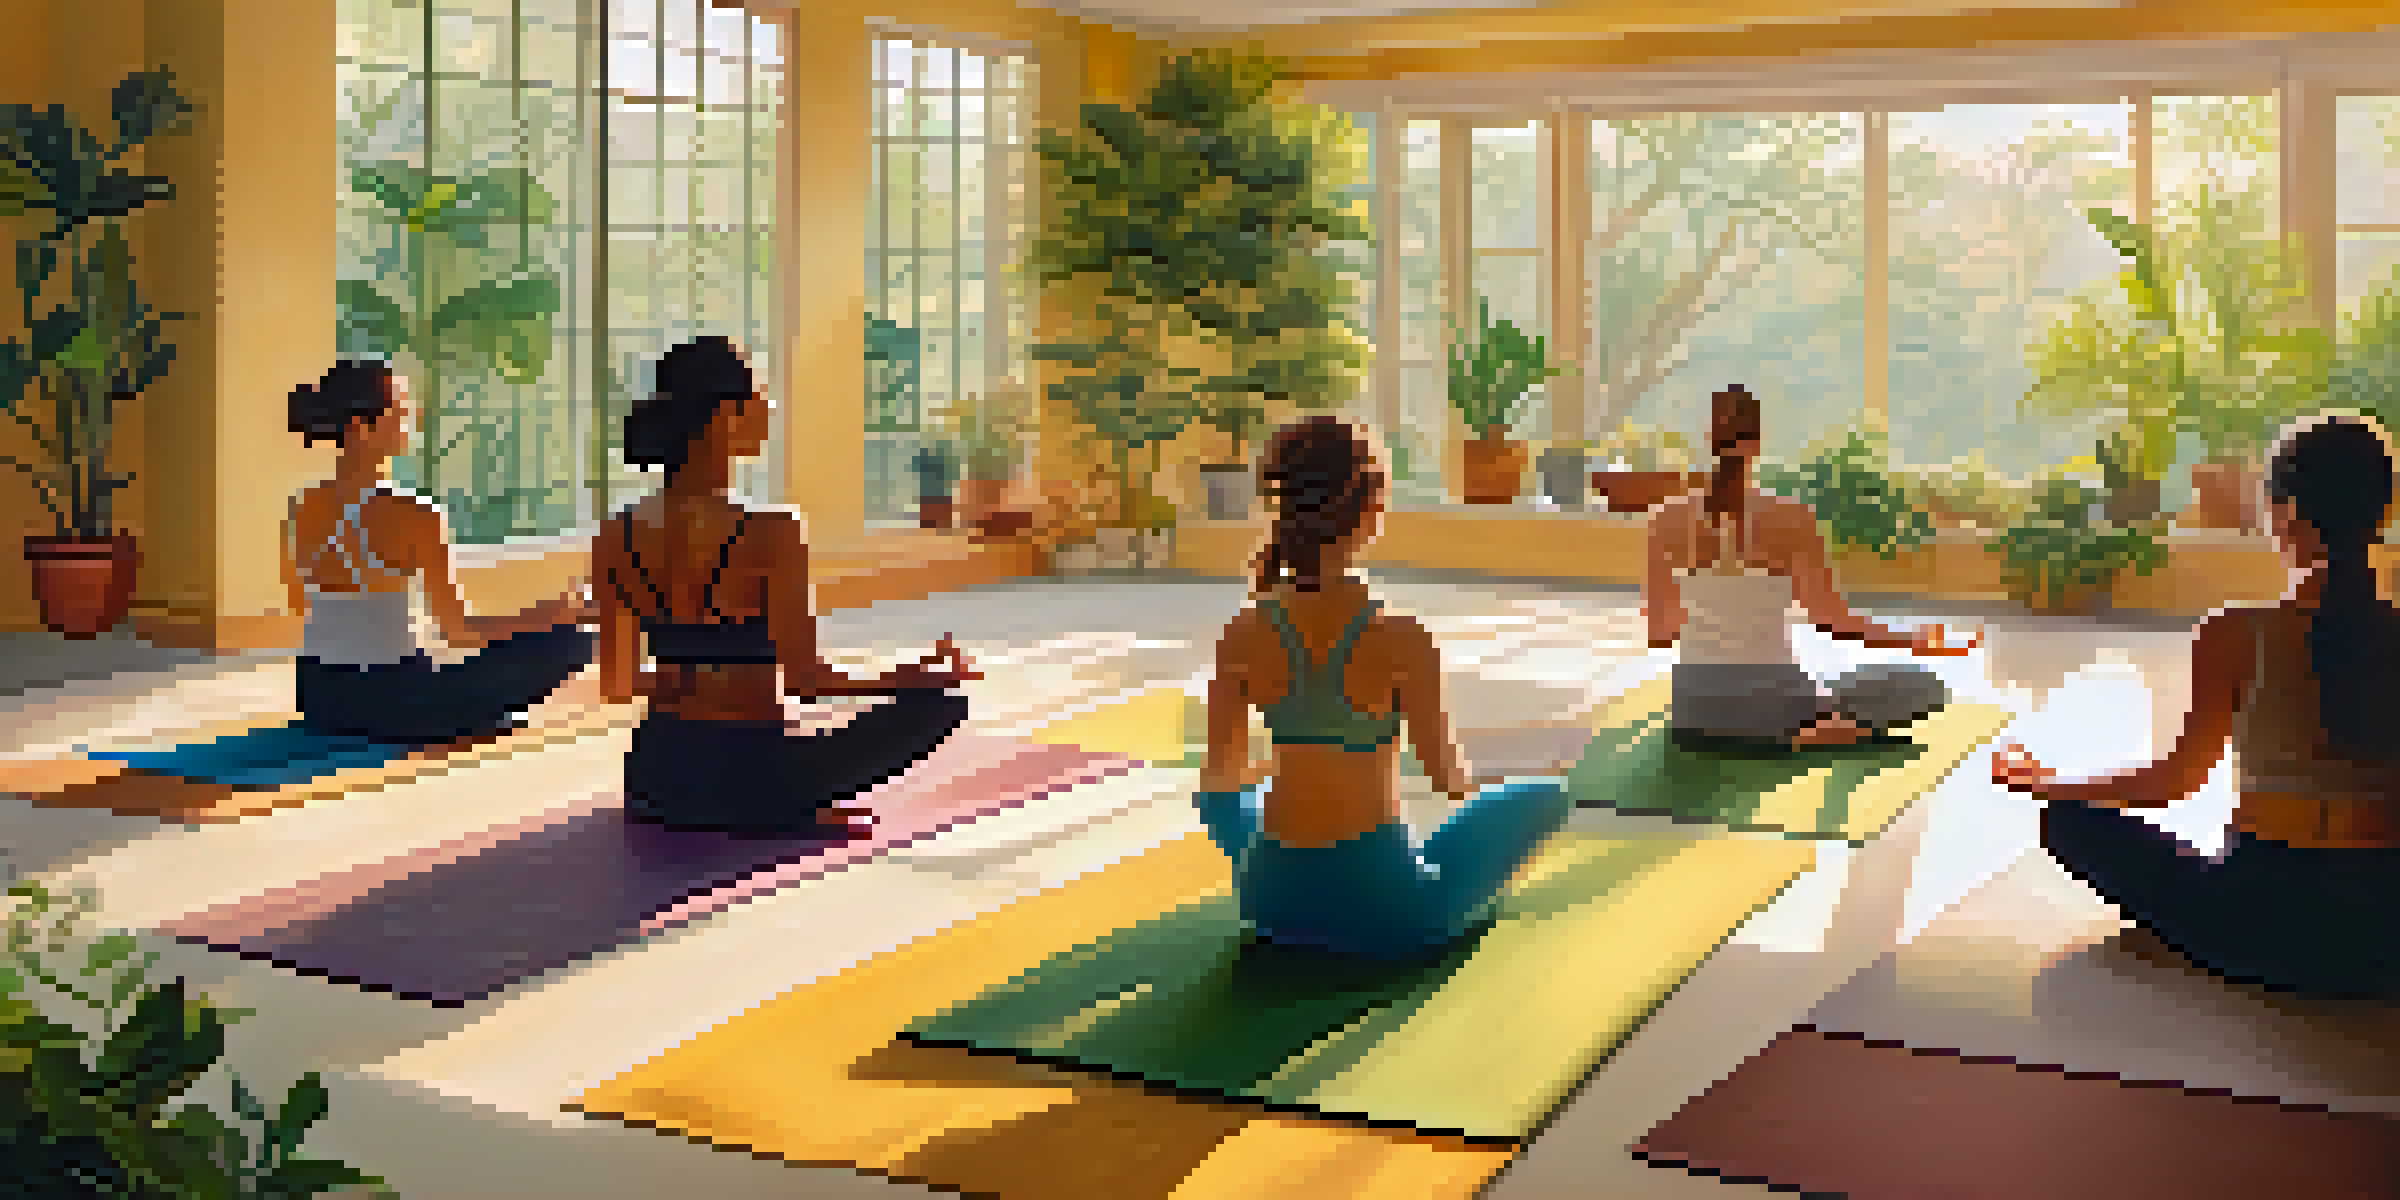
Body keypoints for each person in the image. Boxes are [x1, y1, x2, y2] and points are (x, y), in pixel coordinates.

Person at [1993, 412, 2400, 1000]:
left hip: (2253, 927)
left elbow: (2177, 781)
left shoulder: (2235, 631)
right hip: (2383, 940)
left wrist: (2053, 783)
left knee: (2070, 821)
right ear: (2382, 516)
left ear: (2284, 515)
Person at [1196, 415, 1573, 960]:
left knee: (1245, 800)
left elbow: (1217, 790)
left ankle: (1294, 871)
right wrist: (1506, 779)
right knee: (1548, 795)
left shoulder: (1243, 630)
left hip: (1270, 906)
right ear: (1371, 507)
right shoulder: (1401, 636)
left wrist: (1267, 852)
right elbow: (1449, 782)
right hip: (1389, 914)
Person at [594, 336, 979, 836]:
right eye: (760, 396)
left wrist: (690, 674)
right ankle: (777, 807)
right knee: (942, 702)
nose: (769, 409)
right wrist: (908, 677)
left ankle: (760, 804)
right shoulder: (771, 529)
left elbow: (618, 685)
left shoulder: (616, 533)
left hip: (655, 779)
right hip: (752, 775)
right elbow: (807, 681)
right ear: (728, 415)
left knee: (762, 751)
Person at [283, 360, 597, 745]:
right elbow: (458, 631)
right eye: (401, 412)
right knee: (573, 640)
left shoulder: (301, 506)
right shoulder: (415, 514)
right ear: (361, 428)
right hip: (392, 703)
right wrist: (549, 614)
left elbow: (300, 604)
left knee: (437, 671)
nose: (412, 423)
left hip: (317, 697)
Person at [1645, 384, 1975, 749]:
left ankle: (1789, 729)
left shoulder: (1664, 519)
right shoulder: (1791, 517)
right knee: (1923, 687)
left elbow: (1660, 632)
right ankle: (1813, 732)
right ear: (1757, 444)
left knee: (1814, 685)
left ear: (1707, 440)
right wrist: (1915, 639)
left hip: (1694, 711)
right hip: (1776, 703)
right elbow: (1834, 621)